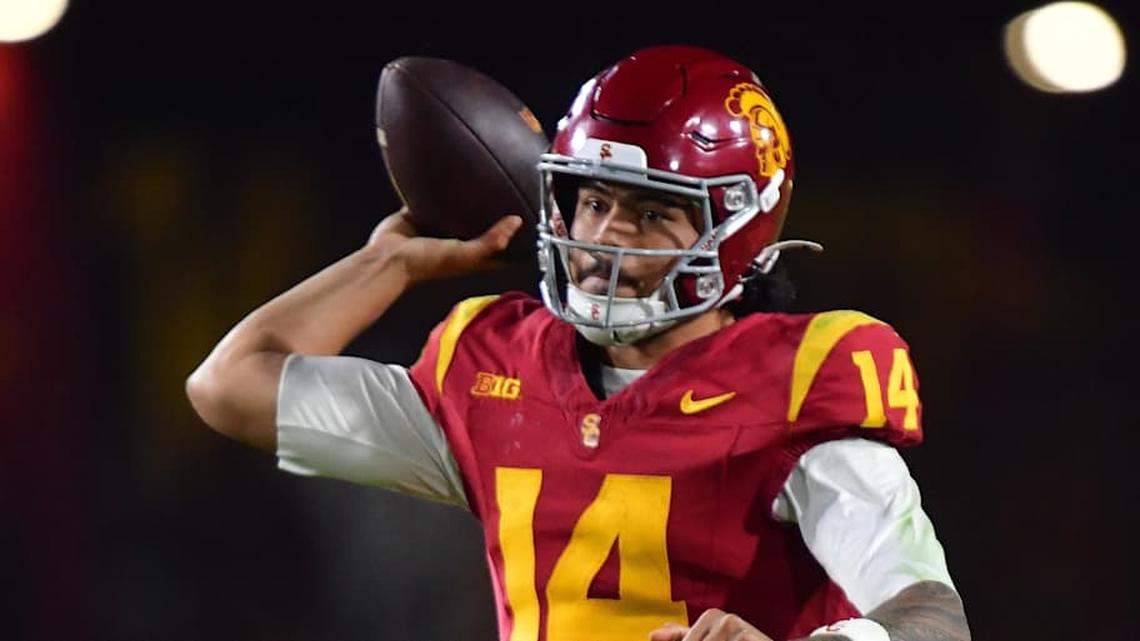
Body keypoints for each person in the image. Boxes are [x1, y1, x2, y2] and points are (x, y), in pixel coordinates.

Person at [187, 46, 971, 641]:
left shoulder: (795, 384)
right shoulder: (495, 373)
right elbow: (230, 383)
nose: (607, 238)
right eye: (592, 200)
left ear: (739, 229)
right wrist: (387, 260)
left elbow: (931, 616)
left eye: (653, 211)